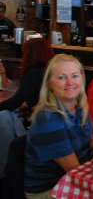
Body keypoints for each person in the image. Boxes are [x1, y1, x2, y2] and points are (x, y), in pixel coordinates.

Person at [24, 54, 93, 198]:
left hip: (75, 175)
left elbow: (90, 142)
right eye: (61, 77)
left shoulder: (79, 107)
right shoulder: (48, 120)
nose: (70, 82)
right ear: (49, 84)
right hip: (50, 189)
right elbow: (74, 170)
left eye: (74, 76)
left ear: (82, 78)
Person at [0, 37, 54, 180]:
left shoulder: (35, 72)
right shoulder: (49, 70)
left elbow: (15, 102)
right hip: (46, 118)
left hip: (38, 124)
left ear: (30, 54)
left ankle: (6, 170)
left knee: (4, 117)